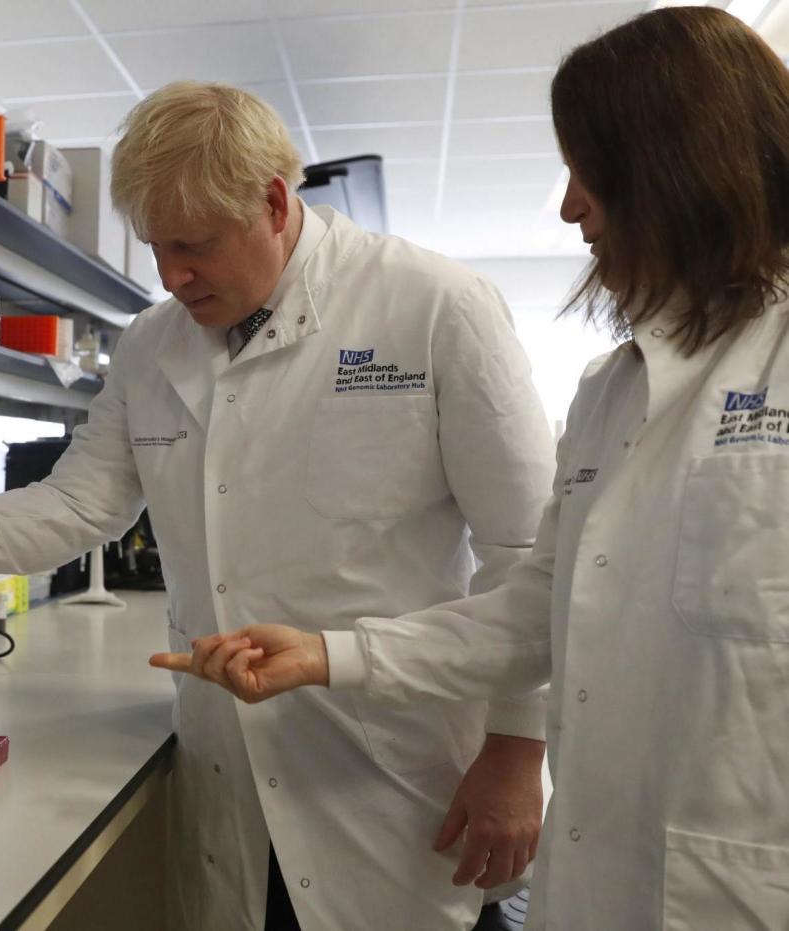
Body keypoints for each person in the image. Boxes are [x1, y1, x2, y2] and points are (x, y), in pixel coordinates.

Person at [0, 81, 557, 930]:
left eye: (195, 245)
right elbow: (82, 503)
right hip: (228, 770)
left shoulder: (437, 306)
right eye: (156, 247)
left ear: (273, 201)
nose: (173, 275)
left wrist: (518, 752)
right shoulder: (153, 343)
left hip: (394, 773)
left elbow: (527, 554)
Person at [152, 8, 789, 929]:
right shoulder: (616, 391)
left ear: (680, 169)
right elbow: (540, 606)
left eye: (588, 172)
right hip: (609, 881)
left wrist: (507, 753)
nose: (571, 206)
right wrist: (333, 654)